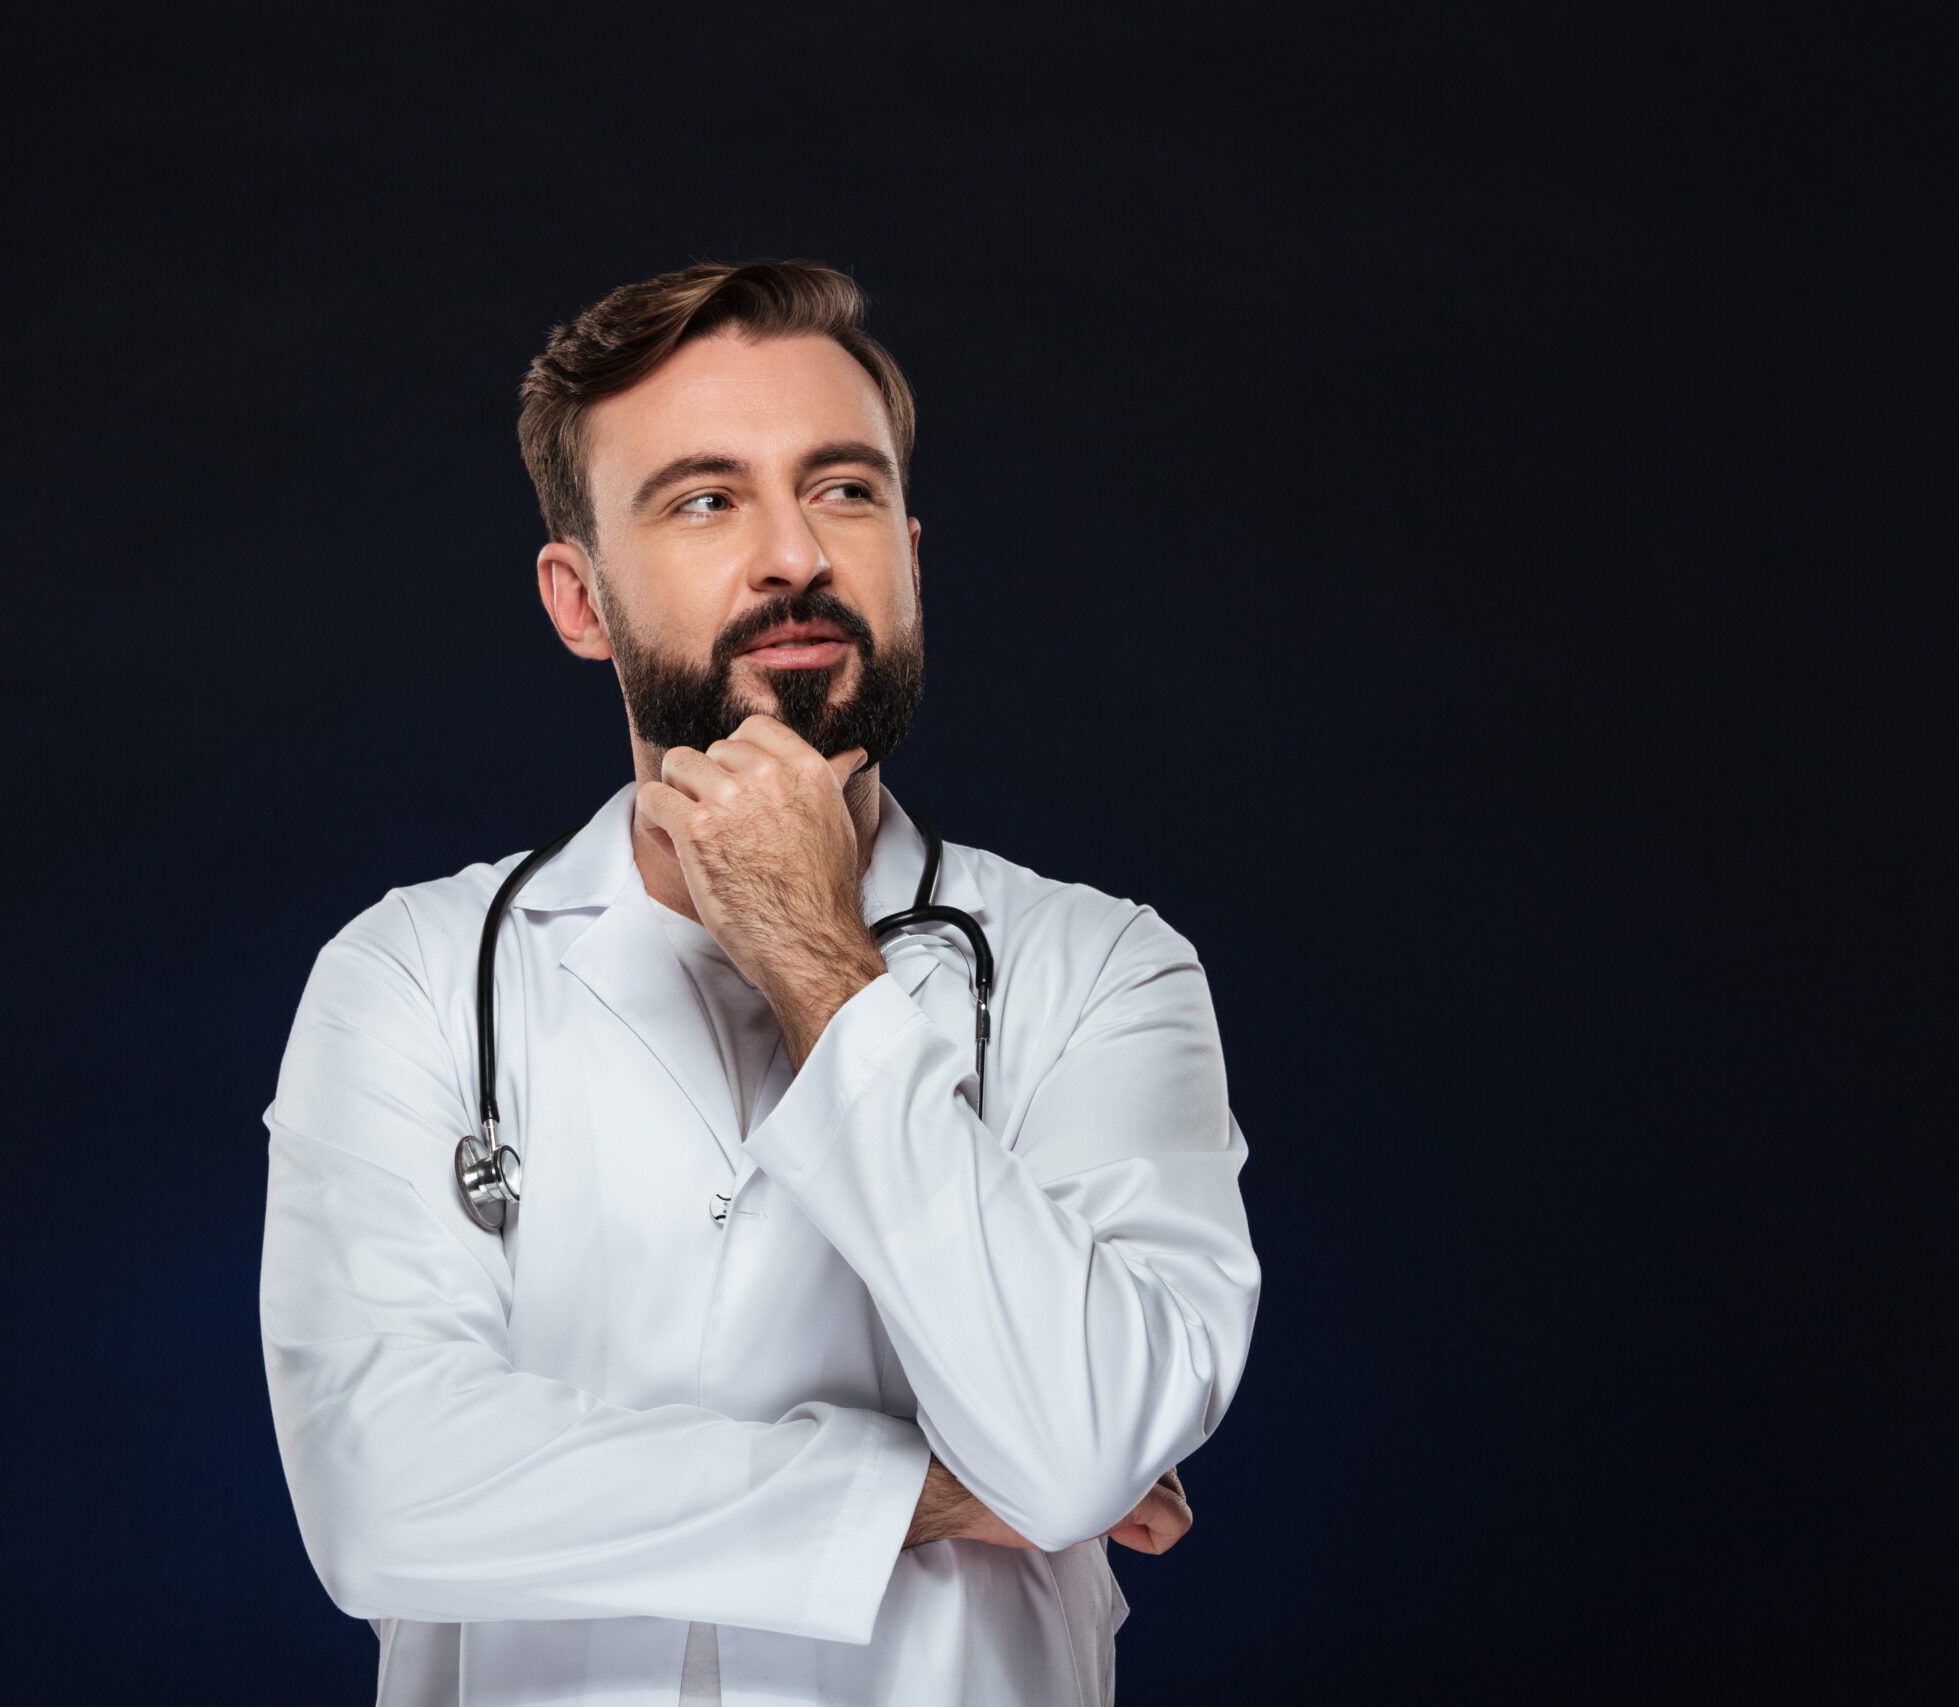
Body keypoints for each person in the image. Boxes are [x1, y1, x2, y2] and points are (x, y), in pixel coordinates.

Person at [259, 260, 1260, 1707]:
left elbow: (1084, 1449)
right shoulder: (411, 978)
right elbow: (382, 1496)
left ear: (910, 554)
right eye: (706, 500)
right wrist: (931, 1493)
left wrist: (817, 960)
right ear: (580, 600)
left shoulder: (1102, 973)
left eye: (844, 490)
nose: (795, 554)